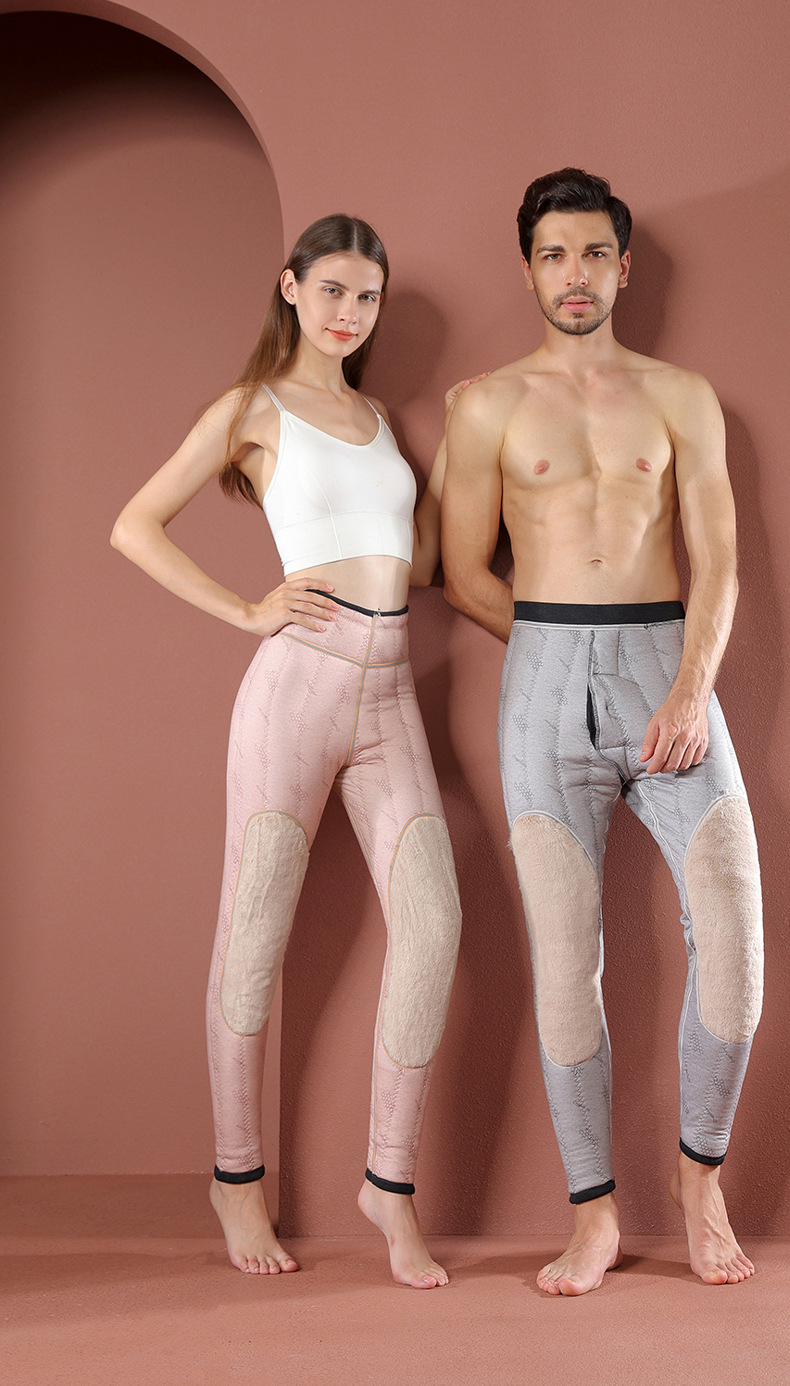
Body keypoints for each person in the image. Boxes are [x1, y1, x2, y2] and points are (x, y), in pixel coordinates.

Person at [111, 214, 463, 1289]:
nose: (350, 312)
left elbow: (419, 565)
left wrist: (458, 452)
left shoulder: (379, 419)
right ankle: (236, 1178)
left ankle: (389, 1187)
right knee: (253, 933)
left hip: (391, 692)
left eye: (368, 296)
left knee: (435, 923)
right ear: (292, 288)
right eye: (333, 290)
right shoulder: (251, 409)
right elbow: (134, 524)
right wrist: (245, 608)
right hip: (298, 686)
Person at [441, 169, 763, 1295]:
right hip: (542, 678)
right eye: (552, 255)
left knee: (734, 936)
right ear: (528, 270)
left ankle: (699, 1179)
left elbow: (719, 560)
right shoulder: (486, 404)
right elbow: (462, 571)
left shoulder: (681, 397)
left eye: (591, 254)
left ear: (623, 268)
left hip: (668, 665)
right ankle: (594, 1215)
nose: (572, 275)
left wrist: (687, 688)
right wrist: (550, 654)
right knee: (563, 957)